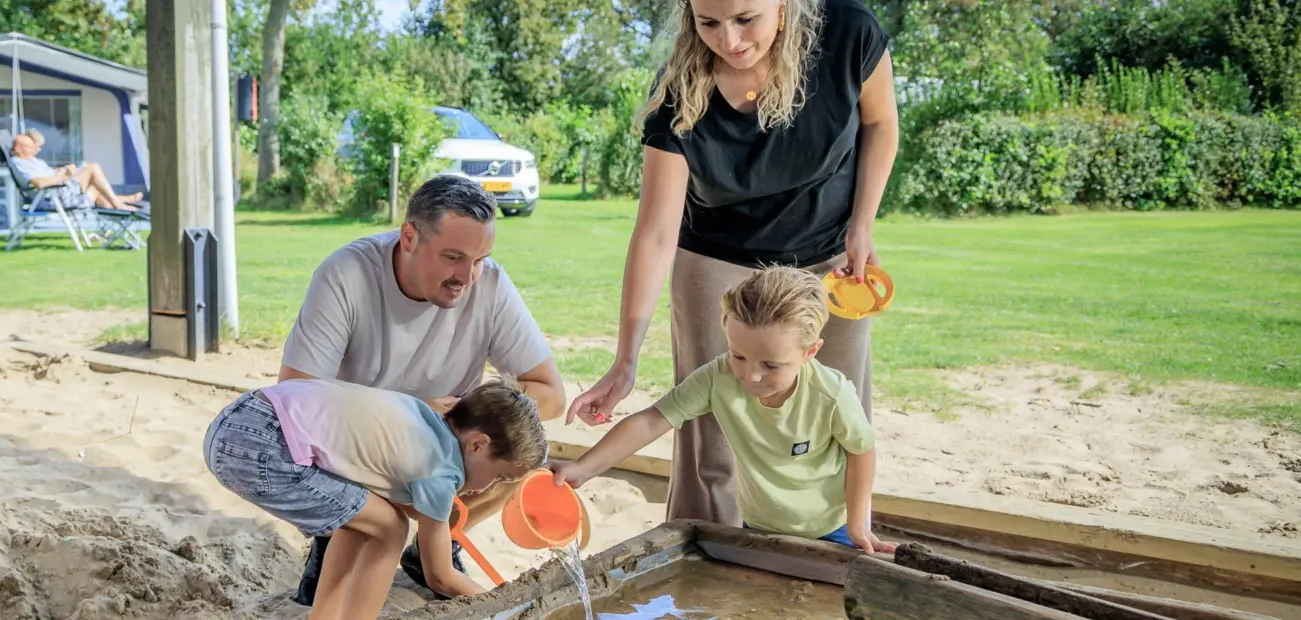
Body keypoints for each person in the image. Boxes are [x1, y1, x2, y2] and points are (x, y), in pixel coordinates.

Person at [566, 0, 900, 529]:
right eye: (709, 23)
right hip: (715, 257)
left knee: (836, 411)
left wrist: (862, 224)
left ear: (783, 7)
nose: (729, 41)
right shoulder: (678, 90)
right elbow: (656, 233)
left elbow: (880, 122)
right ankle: (703, 551)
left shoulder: (848, 33)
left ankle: (836, 538)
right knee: (711, 430)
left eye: (746, 19)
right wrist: (625, 362)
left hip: (828, 258)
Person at [278, 174, 569, 603]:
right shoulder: (347, 274)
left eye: (480, 259)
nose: (466, 277)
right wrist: (409, 412)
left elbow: (551, 394)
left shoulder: (490, 286)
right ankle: (338, 531)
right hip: (358, 445)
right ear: (410, 237)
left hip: (446, 448)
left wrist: (464, 412)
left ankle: (437, 538)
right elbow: (294, 398)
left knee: (525, 450)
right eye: (453, 257)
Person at [551, 267, 895, 553]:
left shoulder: (831, 394)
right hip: (759, 527)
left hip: (833, 529)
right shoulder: (719, 377)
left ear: (810, 352)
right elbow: (653, 420)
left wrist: (857, 523)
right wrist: (584, 467)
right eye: (738, 355)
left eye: (771, 365)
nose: (750, 375)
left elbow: (861, 450)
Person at [204, 377, 548, 620]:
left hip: (244, 416)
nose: (490, 488)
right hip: (261, 448)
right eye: (500, 477)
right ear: (477, 444)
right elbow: (440, 575)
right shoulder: (441, 470)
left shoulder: (423, 418)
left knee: (365, 522)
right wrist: (509, 605)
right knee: (390, 528)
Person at [6, 128, 142, 212]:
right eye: (30, 147)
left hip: (58, 192)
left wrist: (61, 170)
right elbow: (39, 183)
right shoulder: (19, 163)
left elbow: (48, 174)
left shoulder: (32, 161)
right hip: (52, 197)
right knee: (93, 168)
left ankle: (119, 204)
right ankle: (118, 203)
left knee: (95, 188)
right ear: (18, 148)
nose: (34, 150)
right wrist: (64, 177)